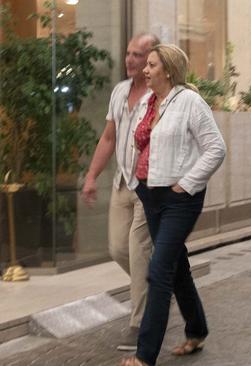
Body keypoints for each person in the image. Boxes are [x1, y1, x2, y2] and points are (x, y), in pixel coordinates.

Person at [119, 44, 226, 366]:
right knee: (177, 268)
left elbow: (216, 148)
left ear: (168, 69)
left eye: (151, 65)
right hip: (150, 195)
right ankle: (197, 330)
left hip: (180, 199)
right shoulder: (149, 103)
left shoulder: (189, 102)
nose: (145, 70)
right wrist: (135, 184)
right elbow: (138, 145)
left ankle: (144, 356)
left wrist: (187, 184)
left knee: (159, 270)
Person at [81, 33, 160, 351]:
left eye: (138, 55)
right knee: (117, 249)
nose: (130, 60)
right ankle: (159, 290)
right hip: (121, 183)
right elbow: (109, 138)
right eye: (128, 53)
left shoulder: (160, 96)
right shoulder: (119, 92)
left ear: (153, 59)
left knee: (139, 253)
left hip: (149, 186)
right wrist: (91, 176)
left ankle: (138, 324)